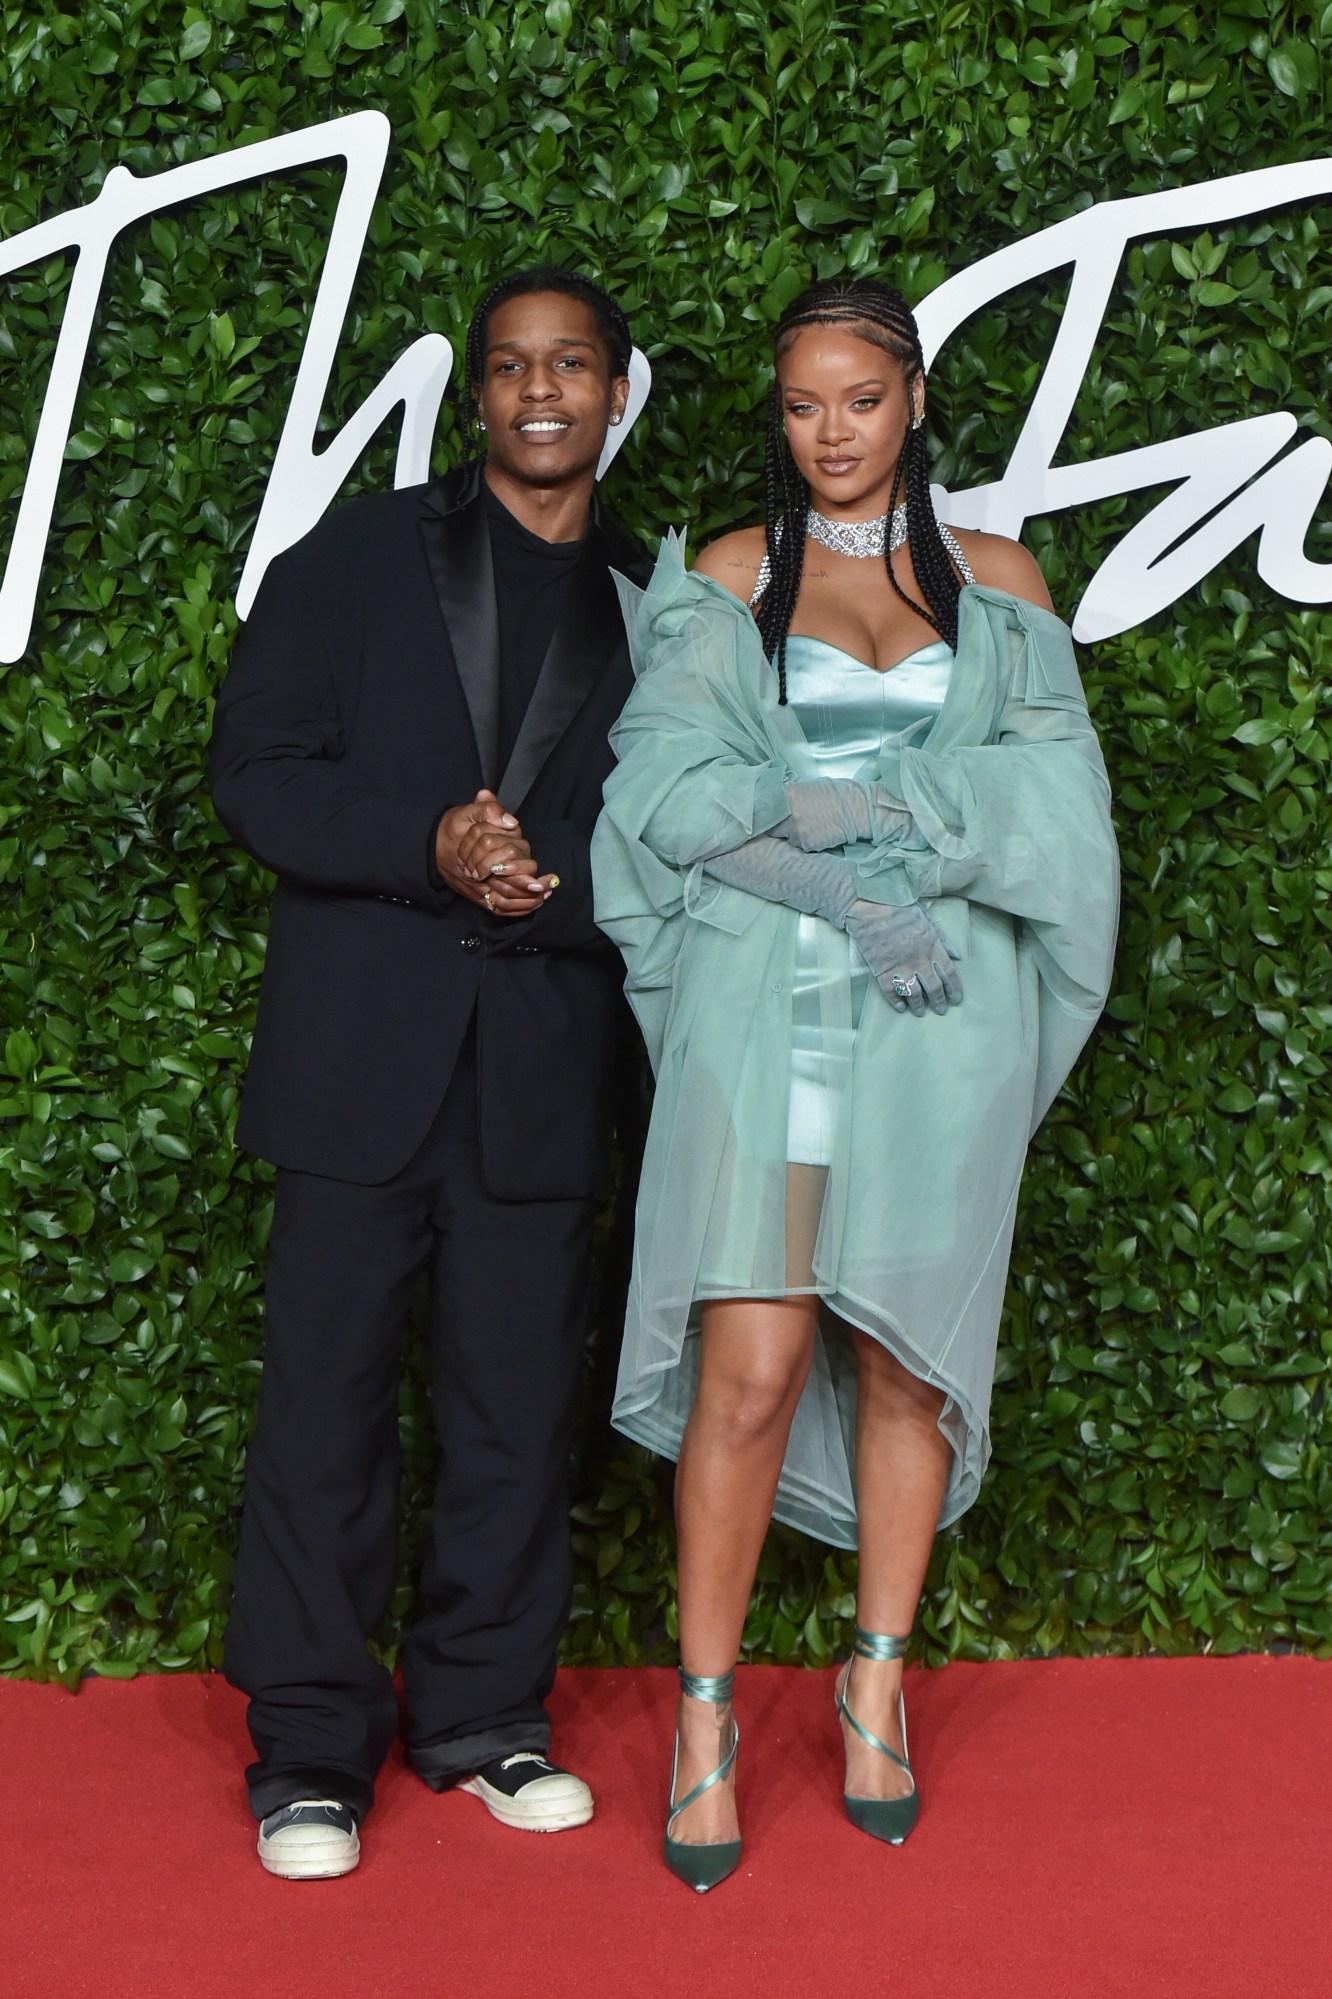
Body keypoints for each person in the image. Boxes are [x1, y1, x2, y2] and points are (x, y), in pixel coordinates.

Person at [592, 277, 1119, 1891]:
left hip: (940, 1037)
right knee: (746, 1370)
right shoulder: (724, 580)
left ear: (913, 406)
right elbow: (662, 807)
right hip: (768, 1026)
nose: (831, 432)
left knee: (904, 1362)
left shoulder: (1009, 590)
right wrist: (855, 874)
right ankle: (703, 1715)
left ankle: (876, 1679)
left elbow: (1066, 825)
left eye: (862, 401)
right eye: (804, 404)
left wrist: (877, 811)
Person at [211, 267, 652, 1879]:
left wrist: (553, 891)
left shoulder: (661, 601)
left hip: (540, 1068)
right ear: (480, 397)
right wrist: (426, 845)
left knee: (513, 1411)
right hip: (356, 1066)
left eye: (573, 365)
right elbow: (250, 769)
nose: (543, 392)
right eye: (513, 368)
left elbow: (683, 834)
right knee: (323, 1409)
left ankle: (481, 1718)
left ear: (618, 391)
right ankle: (311, 1751)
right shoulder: (359, 556)